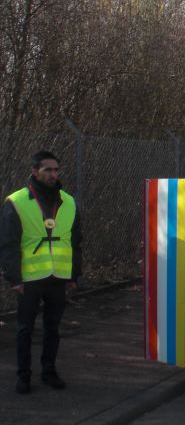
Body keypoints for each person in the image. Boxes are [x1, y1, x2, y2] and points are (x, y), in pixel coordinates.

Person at [0, 150, 82, 394]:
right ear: (35, 171)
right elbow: (8, 243)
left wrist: (74, 274)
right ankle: (23, 375)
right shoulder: (16, 201)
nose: (53, 174)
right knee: (25, 329)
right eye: (48, 170)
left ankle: (49, 372)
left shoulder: (69, 201)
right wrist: (14, 277)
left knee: (53, 327)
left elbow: (76, 241)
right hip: (30, 277)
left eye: (56, 170)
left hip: (59, 276)